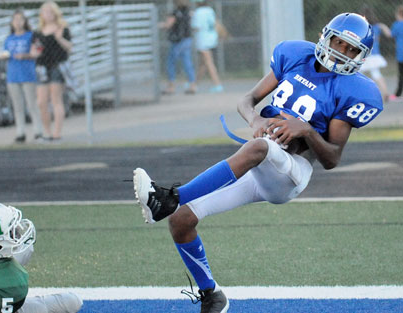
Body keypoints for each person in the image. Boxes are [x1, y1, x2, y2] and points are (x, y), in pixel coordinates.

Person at [133, 13, 383, 313]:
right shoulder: (295, 55)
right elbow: (247, 100)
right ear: (325, 36)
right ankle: (212, 295)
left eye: (350, 49)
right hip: (257, 164)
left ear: (360, 56)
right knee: (181, 220)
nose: (340, 51)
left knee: (260, 147)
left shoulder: (354, 90)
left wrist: (307, 130)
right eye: (338, 42)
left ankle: (167, 198)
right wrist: (254, 119)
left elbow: (332, 158)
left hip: (291, 171)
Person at [0, 202, 83, 313]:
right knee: (70, 302)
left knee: (72, 302)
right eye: (11, 232)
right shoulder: (8, 285)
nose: (18, 233)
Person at [0, 10, 43, 143]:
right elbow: (7, 53)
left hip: (27, 74)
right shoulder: (9, 38)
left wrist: (25, 55)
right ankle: (20, 132)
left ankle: (38, 132)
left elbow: (38, 51)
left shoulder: (30, 35)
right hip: (13, 75)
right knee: (17, 105)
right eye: (15, 19)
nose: (18, 22)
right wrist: (1, 55)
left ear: (25, 21)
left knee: (32, 104)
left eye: (20, 19)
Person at [30, 1, 72, 141]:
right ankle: (47, 132)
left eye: (50, 12)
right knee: (41, 102)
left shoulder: (62, 28)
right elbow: (34, 50)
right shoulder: (37, 32)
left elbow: (69, 47)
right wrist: (34, 53)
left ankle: (57, 133)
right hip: (42, 66)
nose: (48, 15)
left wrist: (59, 38)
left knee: (56, 99)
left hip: (57, 65)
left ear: (55, 13)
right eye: (45, 12)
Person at [160, 0, 197, 95]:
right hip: (187, 39)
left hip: (178, 41)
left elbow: (168, 24)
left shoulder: (175, 12)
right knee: (187, 62)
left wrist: (159, 25)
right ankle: (192, 85)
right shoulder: (188, 12)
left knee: (171, 62)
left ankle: (171, 86)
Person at [359, 6, 391, 103]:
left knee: (358, 75)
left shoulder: (362, 26)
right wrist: (382, 25)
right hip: (375, 55)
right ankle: (385, 92)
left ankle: (359, 96)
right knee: (376, 74)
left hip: (364, 55)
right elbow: (387, 35)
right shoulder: (377, 26)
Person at [191, 0, 223, 93]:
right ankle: (195, 84)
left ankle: (217, 84)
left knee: (209, 62)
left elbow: (196, 27)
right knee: (203, 63)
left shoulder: (198, 12)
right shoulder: (210, 10)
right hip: (211, 38)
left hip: (203, 40)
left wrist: (192, 17)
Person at [390, 5, 403, 101]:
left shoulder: (397, 24)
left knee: (401, 74)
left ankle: (398, 94)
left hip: (401, 54)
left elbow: (391, 34)